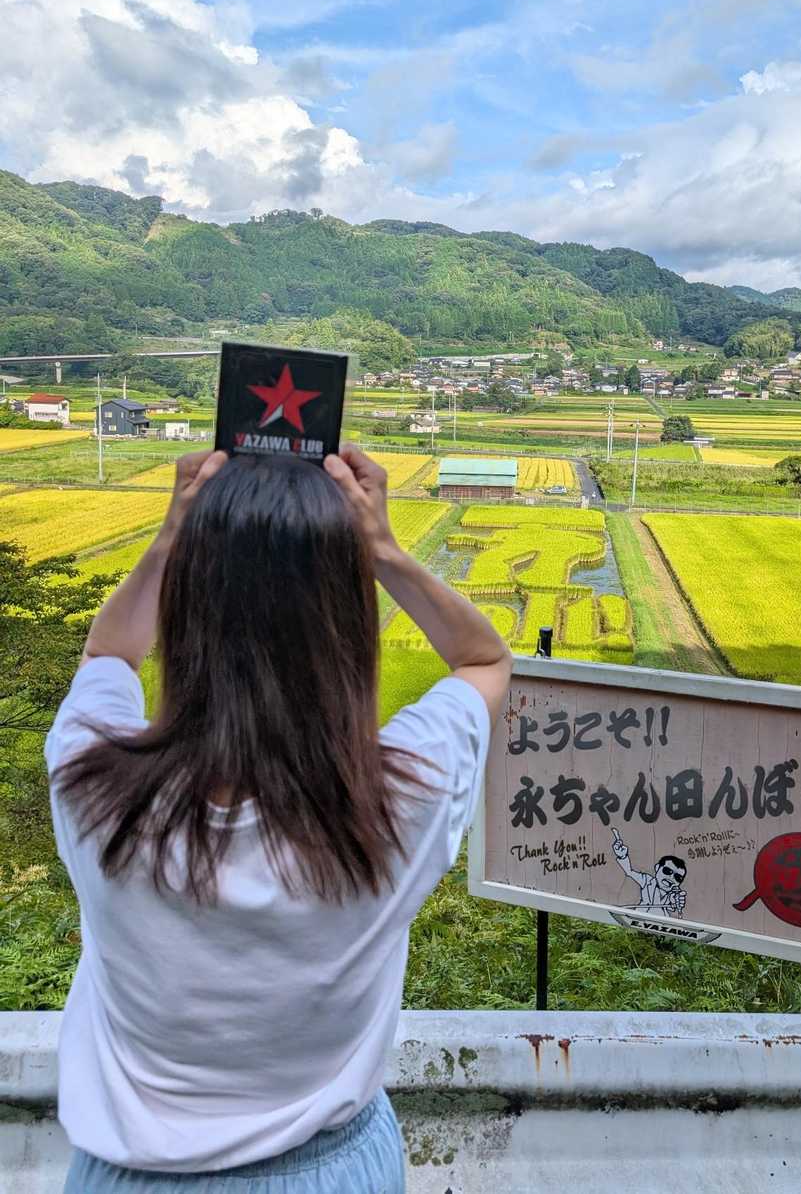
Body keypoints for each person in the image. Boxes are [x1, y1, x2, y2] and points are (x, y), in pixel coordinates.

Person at [46, 446, 512, 1192]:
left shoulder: (93, 786)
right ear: (347, 629)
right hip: (331, 1172)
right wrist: (383, 551)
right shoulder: (399, 799)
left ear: (187, 616)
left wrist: (174, 538)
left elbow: (109, 651)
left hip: (128, 1176)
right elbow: (483, 660)